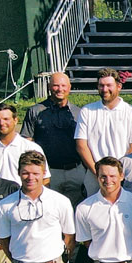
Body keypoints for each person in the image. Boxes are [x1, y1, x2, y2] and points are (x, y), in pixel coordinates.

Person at [23, 72, 85, 205]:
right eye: (56, 85)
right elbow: (27, 142)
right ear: (49, 87)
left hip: (76, 171)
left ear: (69, 87)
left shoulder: (79, 113)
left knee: (75, 214)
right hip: (49, 172)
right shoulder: (35, 111)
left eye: (63, 85)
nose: (60, 89)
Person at [75, 68, 132, 193]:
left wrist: (117, 173)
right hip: (94, 175)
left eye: (109, 85)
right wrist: (98, 173)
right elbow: (81, 146)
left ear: (119, 86)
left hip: (123, 175)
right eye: (101, 85)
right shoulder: (87, 111)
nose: (105, 89)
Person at [0, 101, 47, 184]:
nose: (1, 123)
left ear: (15, 120)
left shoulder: (31, 148)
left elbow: (45, 179)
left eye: (6, 119)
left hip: (22, 196)